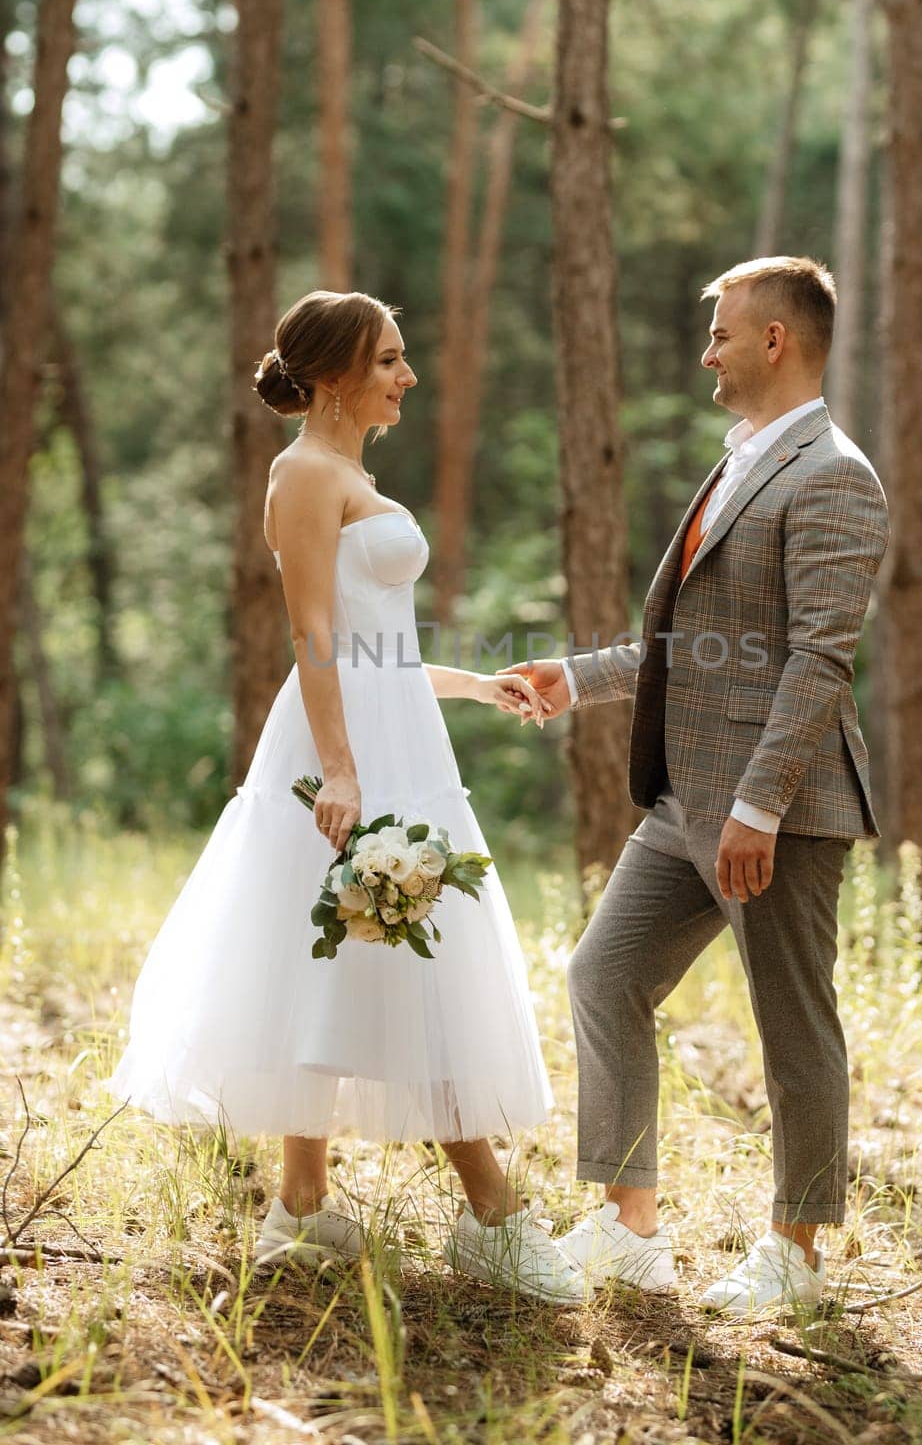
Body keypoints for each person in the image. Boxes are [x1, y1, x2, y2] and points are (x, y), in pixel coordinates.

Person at [105, 289, 584, 1305]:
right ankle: (493, 1213)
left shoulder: (352, 472)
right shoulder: (301, 475)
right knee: (387, 936)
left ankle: (303, 1200)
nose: (407, 377)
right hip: (343, 746)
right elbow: (315, 636)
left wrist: (472, 684)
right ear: (332, 377)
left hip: (394, 726)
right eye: (389, 362)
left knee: (376, 943)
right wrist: (341, 768)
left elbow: (380, 645)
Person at [504, 257, 891, 1314]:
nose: (707, 351)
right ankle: (629, 1230)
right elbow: (687, 646)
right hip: (685, 804)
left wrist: (759, 806)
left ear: (776, 341)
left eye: (721, 332)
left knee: (793, 1027)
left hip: (781, 811)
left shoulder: (834, 474)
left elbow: (819, 660)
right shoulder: (740, 463)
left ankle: (796, 1257)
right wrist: (572, 678)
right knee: (603, 973)